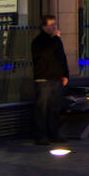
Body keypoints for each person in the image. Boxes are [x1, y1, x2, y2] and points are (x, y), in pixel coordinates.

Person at [31, 14, 69, 145]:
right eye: (51, 25)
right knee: (42, 109)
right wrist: (55, 39)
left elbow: (62, 58)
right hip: (44, 79)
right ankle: (40, 136)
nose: (54, 27)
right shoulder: (38, 41)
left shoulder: (56, 41)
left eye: (55, 24)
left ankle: (54, 133)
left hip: (57, 79)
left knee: (54, 108)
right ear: (44, 27)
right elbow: (47, 53)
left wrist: (65, 75)